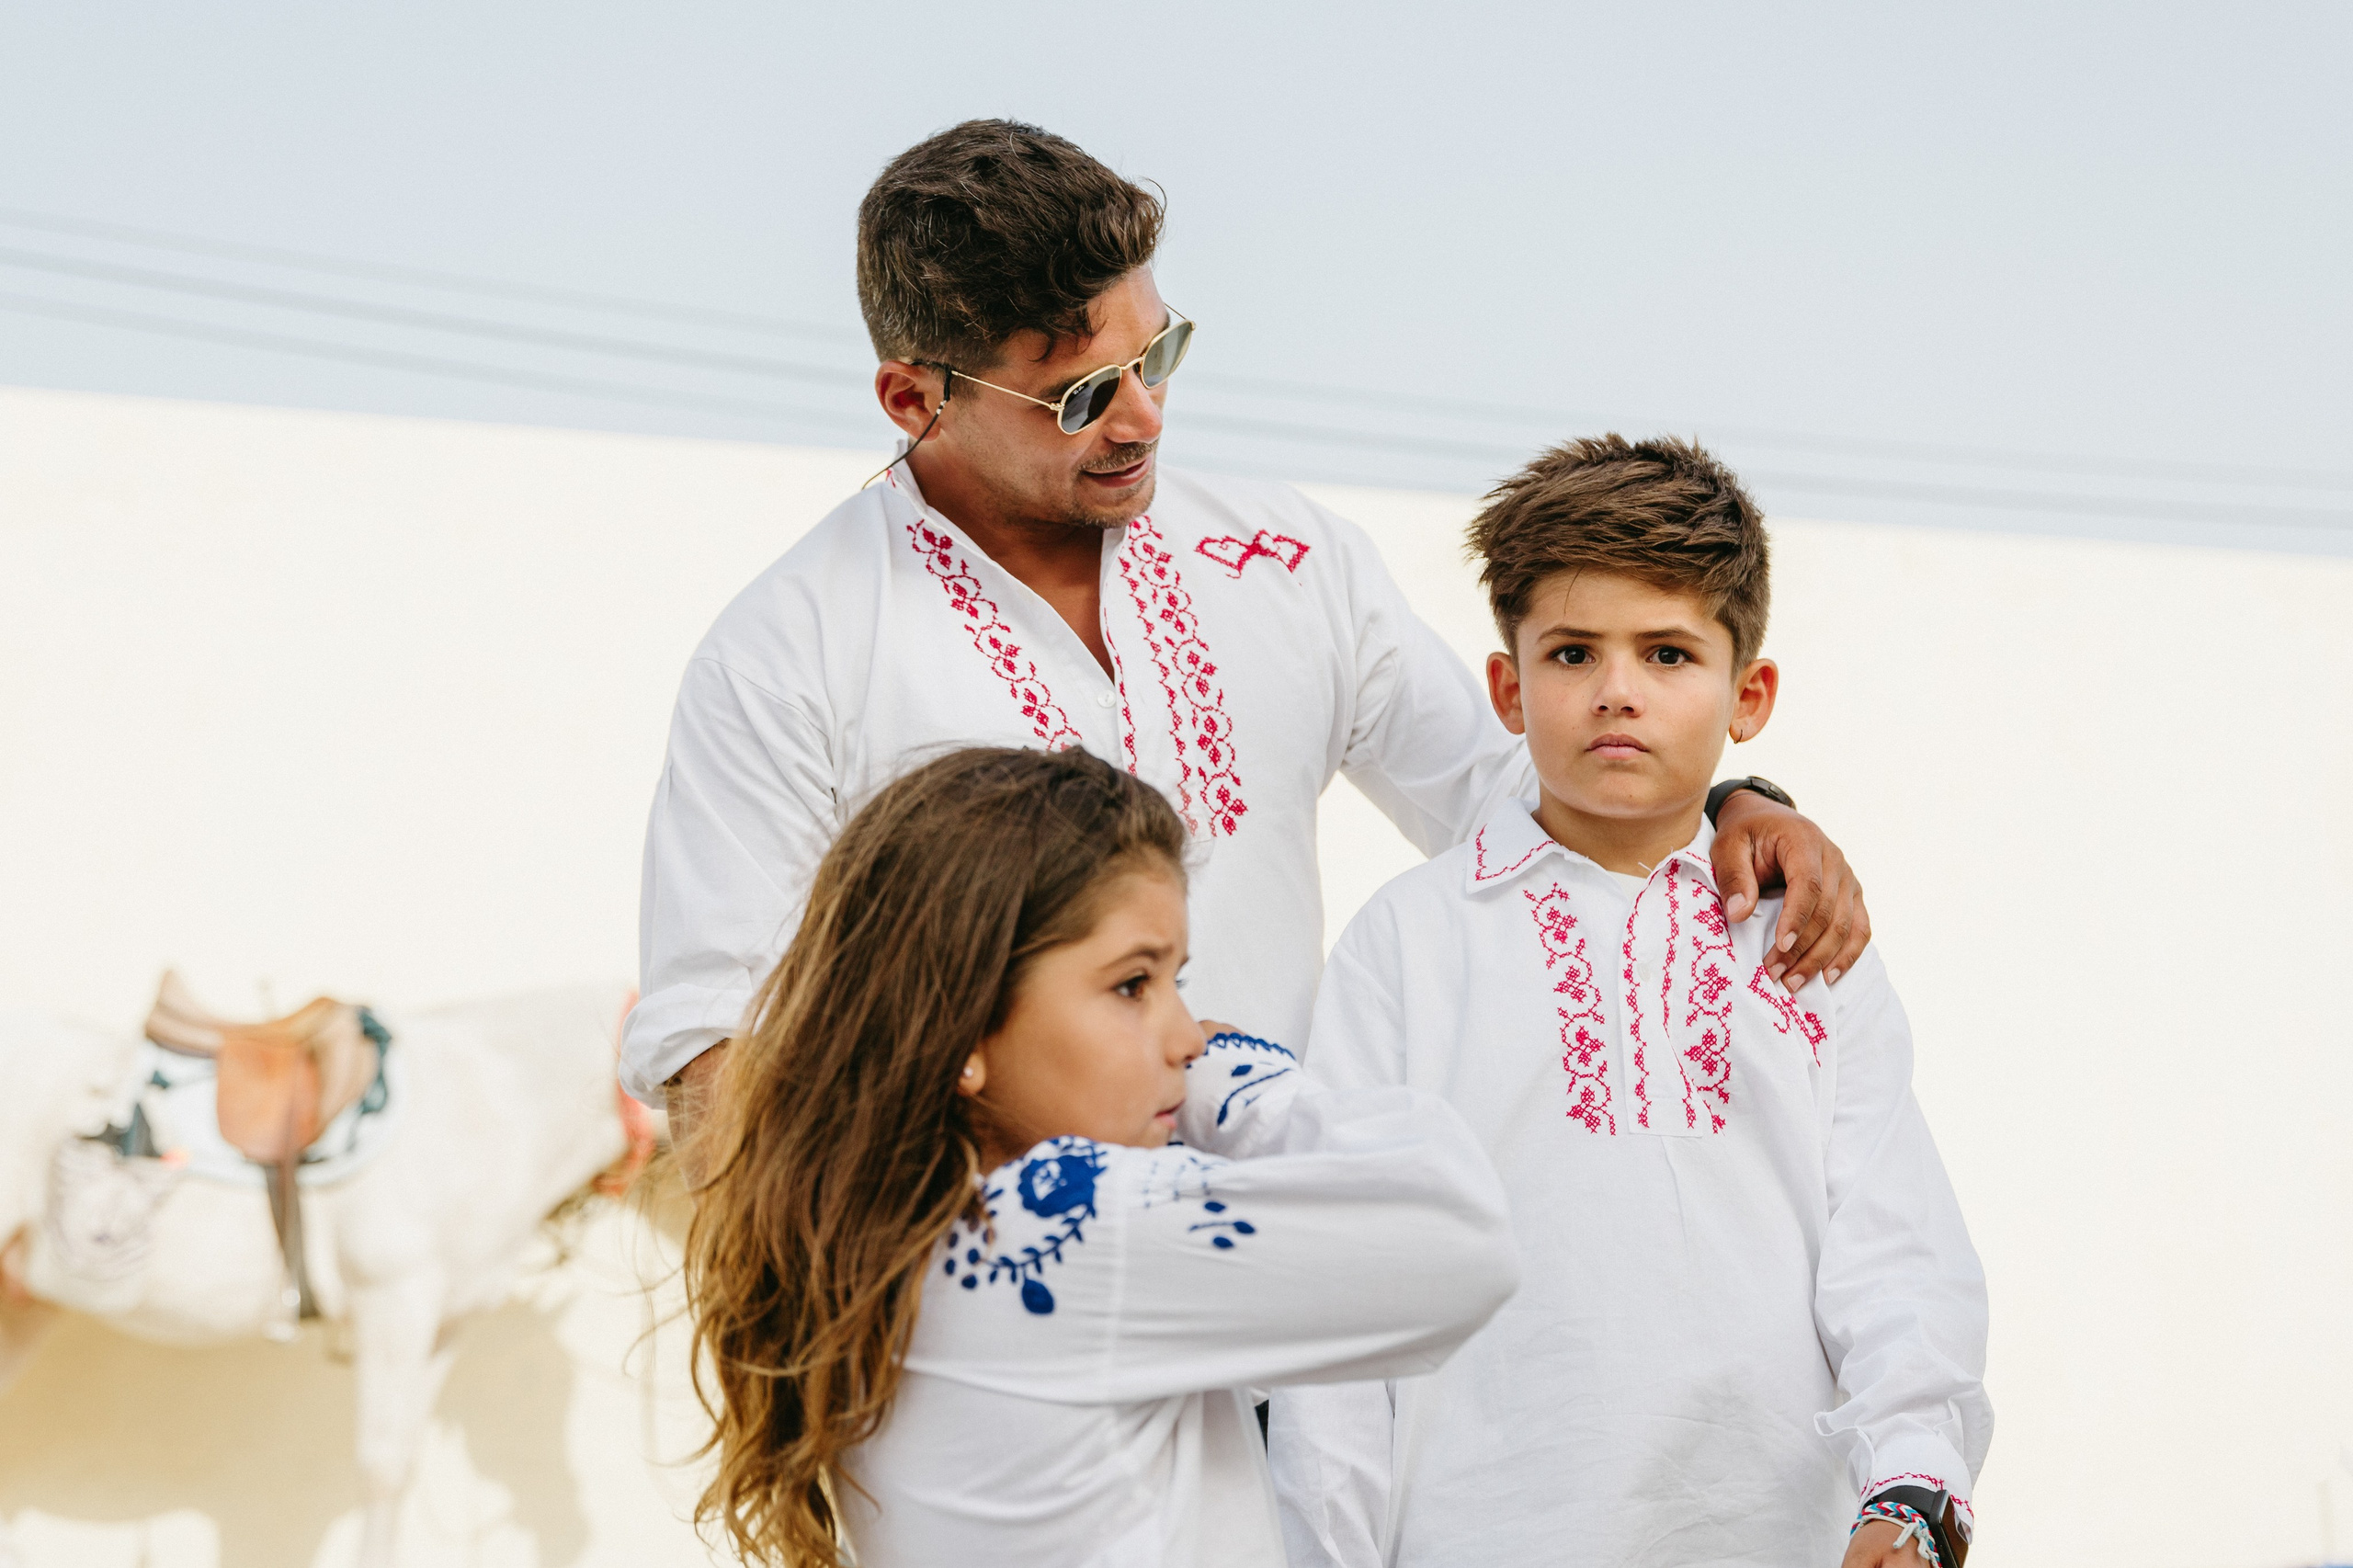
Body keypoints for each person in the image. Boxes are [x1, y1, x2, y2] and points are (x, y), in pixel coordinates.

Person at [622, 119, 1870, 1130]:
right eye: (1080, 399)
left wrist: (1733, 806)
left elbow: (1510, 793)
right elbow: (710, 1047)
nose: (1143, 421)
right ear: (914, 397)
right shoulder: (791, 648)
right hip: (1001, 1331)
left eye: (1158, 357)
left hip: (1286, 1281)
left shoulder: (1286, 560)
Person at [1268, 436, 1991, 1567]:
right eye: (1569, 652)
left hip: (1784, 1534)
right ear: (1506, 688)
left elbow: (1891, 1244)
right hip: (1484, 1532)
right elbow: (1345, 1304)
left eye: (1666, 652)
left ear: (1747, 694)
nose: (1616, 690)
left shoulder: (1802, 934)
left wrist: (1911, 1485)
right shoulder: (1408, 942)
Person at [686, 744, 1518, 1567]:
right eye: (1132, 986)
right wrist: (1234, 1082)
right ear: (965, 1029)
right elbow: (1462, 1233)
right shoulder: (1072, 1221)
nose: (1185, 1034)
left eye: (1177, 983)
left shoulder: (894, 1244)